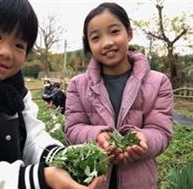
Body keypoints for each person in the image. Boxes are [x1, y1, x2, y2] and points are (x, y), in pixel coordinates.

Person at [0, 0, 104, 188]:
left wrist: (62, 158)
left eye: (19, 45)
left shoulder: (14, 90)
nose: (6, 52)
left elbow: (32, 136)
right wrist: (43, 178)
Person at [64, 2, 173, 189]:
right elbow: (73, 128)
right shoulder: (77, 85)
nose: (107, 43)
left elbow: (161, 131)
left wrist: (143, 140)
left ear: (129, 33)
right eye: (96, 37)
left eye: (114, 31)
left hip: (140, 182)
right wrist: (96, 136)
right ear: (89, 45)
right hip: (92, 181)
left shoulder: (158, 82)